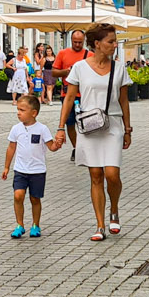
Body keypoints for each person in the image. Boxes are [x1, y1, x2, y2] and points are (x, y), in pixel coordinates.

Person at [56, 23, 131, 242]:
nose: (114, 45)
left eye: (115, 41)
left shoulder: (119, 68)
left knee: (112, 175)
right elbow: (69, 98)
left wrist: (127, 129)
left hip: (113, 125)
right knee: (96, 175)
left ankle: (114, 209)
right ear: (97, 44)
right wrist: (61, 128)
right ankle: (100, 225)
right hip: (89, 125)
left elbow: (124, 100)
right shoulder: (80, 68)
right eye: (110, 42)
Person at [2, 92, 59, 238]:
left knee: (35, 198)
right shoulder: (16, 129)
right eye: (18, 110)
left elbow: (51, 147)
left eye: (22, 110)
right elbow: (11, 148)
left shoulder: (42, 129)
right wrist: (7, 167)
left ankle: (35, 225)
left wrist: (57, 145)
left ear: (34, 113)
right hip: (20, 169)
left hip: (37, 170)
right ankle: (19, 224)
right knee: (18, 195)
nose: (18, 113)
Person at [52, 30, 87, 105]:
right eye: (75, 42)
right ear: (71, 40)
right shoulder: (62, 53)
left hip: (85, 94)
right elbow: (54, 72)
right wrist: (66, 72)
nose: (77, 45)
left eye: (80, 42)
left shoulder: (90, 55)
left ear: (84, 40)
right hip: (67, 94)